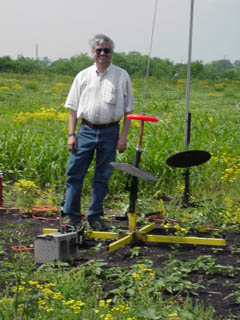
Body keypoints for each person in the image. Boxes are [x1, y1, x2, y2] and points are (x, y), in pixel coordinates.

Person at [63, 34, 134, 231]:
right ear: (93, 53)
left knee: (102, 176)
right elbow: (72, 109)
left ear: (112, 53)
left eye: (106, 50)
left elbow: (129, 111)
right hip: (85, 130)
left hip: (110, 132)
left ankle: (94, 216)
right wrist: (71, 134)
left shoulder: (122, 76)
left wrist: (123, 137)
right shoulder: (83, 76)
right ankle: (72, 216)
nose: (102, 53)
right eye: (98, 50)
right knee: (74, 173)